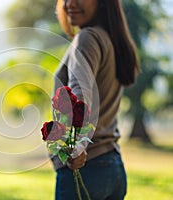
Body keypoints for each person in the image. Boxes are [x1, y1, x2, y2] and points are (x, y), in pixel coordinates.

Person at [52, 0, 140, 199]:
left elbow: (79, 92)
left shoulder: (87, 38)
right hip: (112, 167)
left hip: (87, 169)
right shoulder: (107, 38)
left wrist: (79, 143)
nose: (69, 4)